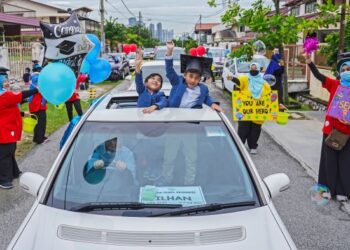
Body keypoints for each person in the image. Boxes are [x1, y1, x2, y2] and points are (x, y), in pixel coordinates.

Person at [304, 52, 350, 207]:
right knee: (328, 162)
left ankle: (343, 191)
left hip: (348, 133)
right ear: (339, 72)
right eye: (344, 69)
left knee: (346, 163)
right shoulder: (335, 85)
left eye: (349, 68)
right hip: (330, 131)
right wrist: (310, 62)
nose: (346, 71)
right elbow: (319, 76)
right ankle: (328, 190)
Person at [165, 41, 222, 111]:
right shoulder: (177, 82)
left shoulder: (203, 88)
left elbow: (206, 98)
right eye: (191, 76)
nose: (193, 80)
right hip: (174, 116)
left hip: (193, 118)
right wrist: (169, 50)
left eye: (197, 78)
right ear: (185, 75)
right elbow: (169, 69)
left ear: (200, 79)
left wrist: (212, 103)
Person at [0, 83, 38, 189]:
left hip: (8, 130)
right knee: (4, 155)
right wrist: (36, 90)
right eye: (2, 75)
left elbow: (7, 108)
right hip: (4, 131)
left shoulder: (5, 97)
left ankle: (13, 172)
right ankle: (3, 179)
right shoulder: (4, 96)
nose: (5, 81)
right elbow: (20, 96)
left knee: (10, 151)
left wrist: (21, 113)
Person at [229, 62, 271, 154]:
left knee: (255, 129)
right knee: (243, 128)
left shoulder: (264, 83)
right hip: (245, 110)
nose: (253, 70)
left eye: (255, 68)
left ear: (258, 70)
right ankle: (240, 145)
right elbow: (239, 81)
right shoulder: (245, 78)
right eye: (251, 68)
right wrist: (232, 78)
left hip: (258, 111)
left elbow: (270, 95)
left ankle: (253, 146)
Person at [134, 49, 168, 113]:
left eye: (159, 80)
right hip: (140, 119)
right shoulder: (142, 90)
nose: (155, 81)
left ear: (160, 86)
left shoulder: (161, 94)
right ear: (146, 83)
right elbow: (138, 80)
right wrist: (137, 65)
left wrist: (154, 106)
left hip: (154, 121)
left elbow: (164, 101)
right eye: (153, 78)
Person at [28, 62, 48, 144]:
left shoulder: (34, 77)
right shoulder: (36, 77)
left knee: (39, 121)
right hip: (37, 104)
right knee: (40, 121)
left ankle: (39, 137)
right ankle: (39, 139)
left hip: (37, 103)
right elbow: (42, 87)